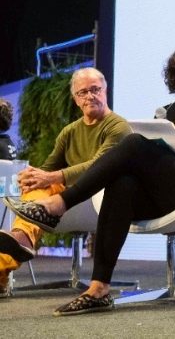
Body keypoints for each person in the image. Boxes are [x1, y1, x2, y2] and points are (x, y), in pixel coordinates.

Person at [4, 44, 175, 315]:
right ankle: (99, 288)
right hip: (168, 191)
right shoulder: (167, 112)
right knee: (122, 183)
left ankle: (60, 204)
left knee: (134, 142)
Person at [0, 69, 130, 298]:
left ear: (105, 91)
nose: (90, 96)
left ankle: (19, 243)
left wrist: (51, 177)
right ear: (76, 99)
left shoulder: (118, 127)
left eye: (95, 89)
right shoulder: (69, 131)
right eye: (83, 92)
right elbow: (47, 169)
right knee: (37, 186)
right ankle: (18, 243)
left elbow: (98, 166)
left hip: (104, 199)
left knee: (47, 184)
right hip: (65, 202)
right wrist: (30, 176)